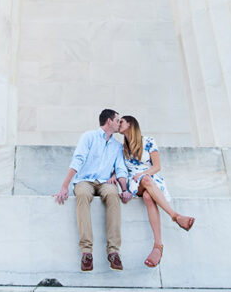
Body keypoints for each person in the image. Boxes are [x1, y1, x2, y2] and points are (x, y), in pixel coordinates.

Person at [53, 109, 133, 271]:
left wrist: (125, 189)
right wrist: (64, 186)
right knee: (82, 194)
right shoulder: (88, 137)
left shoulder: (117, 146)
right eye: (117, 120)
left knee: (113, 194)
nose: (119, 124)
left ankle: (113, 251)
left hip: (105, 182)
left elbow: (120, 168)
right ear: (109, 121)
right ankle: (86, 252)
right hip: (85, 180)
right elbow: (78, 160)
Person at [118, 115, 195, 267]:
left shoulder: (149, 141)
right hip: (134, 182)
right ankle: (175, 216)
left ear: (130, 124)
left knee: (148, 196)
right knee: (146, 182)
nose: (119, 124)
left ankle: (158, 246)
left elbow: (157, 166)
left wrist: (143, 174)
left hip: (151, 177)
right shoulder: (122, 148)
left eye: (121, 121)